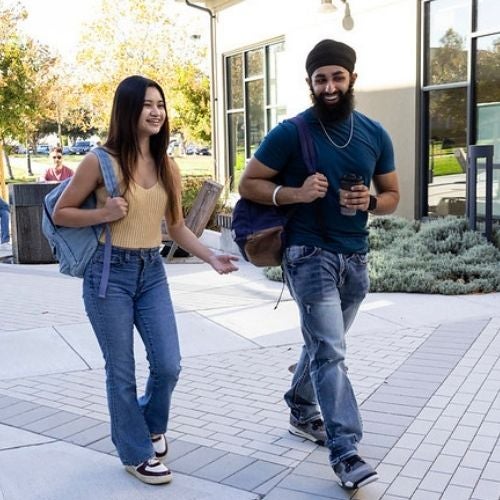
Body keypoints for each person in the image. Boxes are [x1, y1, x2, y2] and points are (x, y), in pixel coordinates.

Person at [52, 75, 238, 485]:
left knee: (168, 363)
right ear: (128, 110)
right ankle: (136, 452)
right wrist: (102, 214)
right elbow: (60, 213)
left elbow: (177, 226)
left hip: (152, 273)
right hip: (108, 274)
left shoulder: (167, 164)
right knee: (121, 371)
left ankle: (151, 425)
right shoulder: (98, 162)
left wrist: (210, 256)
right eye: (147, 104)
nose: (157, 112)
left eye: (161, 104)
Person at [238, 39, 399, 490]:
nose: (329, 86)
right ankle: (345, 450)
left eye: (337, 77)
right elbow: (248, 182)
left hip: (355, 254)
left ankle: (299, 404)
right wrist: (295, 193)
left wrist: (370, 199)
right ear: (309, 83)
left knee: (323, 342)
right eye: (320, 78)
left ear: (351, 79)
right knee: (331, 349)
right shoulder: (292, 132)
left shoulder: (374, 133)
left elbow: (391, 196)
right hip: (308, 253)